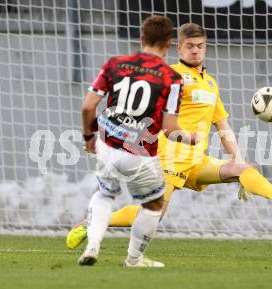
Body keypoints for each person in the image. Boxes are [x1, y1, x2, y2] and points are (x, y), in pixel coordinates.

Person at [69, 23, 272, 250]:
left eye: (200, 46)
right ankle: (92, 222)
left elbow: (223, 126)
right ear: (179, 47)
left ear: (205, 47)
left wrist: (236, 159)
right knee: (154, 213)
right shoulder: (171, 75)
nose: (196, 51)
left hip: (198, 161)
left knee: (243, 168)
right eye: (190, 46)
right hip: (169, 159)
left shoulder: (210, 83)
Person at [78, 15, 197, 268]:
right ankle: (134, 259)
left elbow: (88, 107)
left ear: (142, 38)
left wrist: (89, 137)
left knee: (103, 193)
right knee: (154, 204)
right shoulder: (171, 78)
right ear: (168, 44)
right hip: (139, 153)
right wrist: (191, 138)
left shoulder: (115, 64)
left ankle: (92, 245)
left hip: (106, 144)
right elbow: (170, 129)